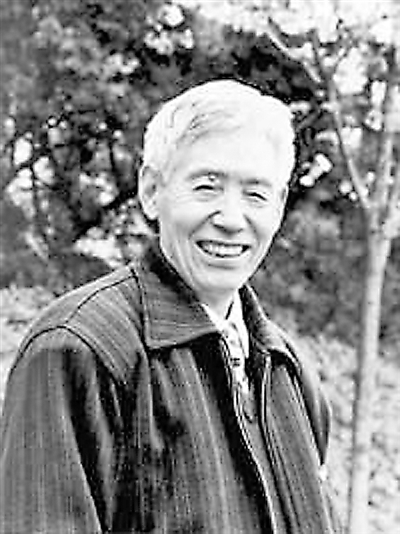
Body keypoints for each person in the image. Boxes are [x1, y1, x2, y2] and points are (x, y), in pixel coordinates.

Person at [0, 79, 342, 533]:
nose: (231, 218)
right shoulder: (77, 349)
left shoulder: (289, 371)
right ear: (150, 190)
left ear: (278, 207)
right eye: (207, 187)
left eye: (256, 194)